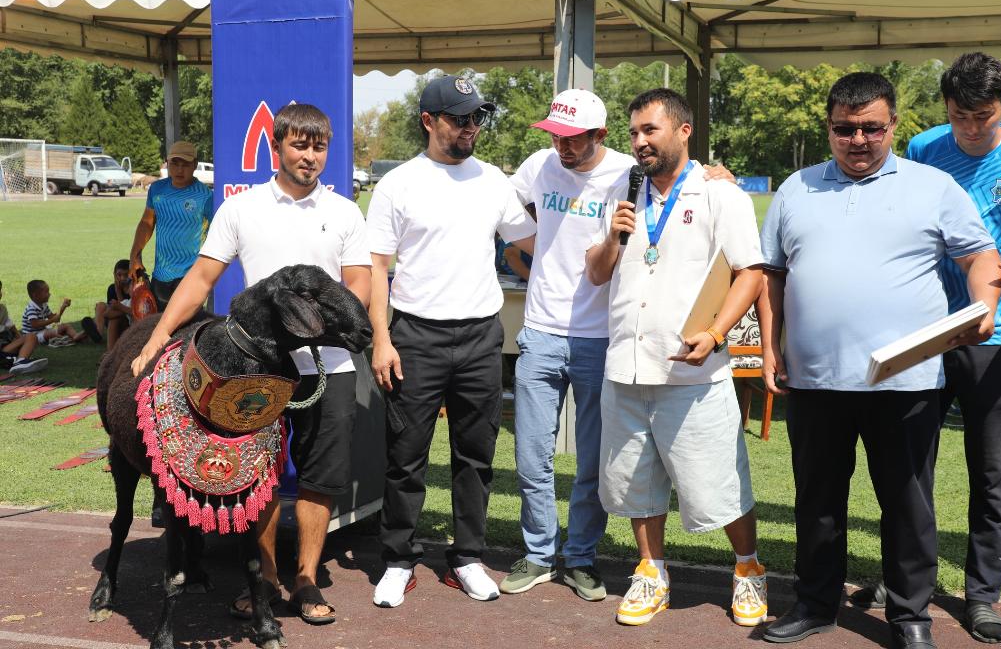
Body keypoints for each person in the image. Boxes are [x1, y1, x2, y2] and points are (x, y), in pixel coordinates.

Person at [757, 72, 1001, 649]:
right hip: (815, 377)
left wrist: (985, 304)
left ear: (894, 125)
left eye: (871, 127)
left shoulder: (933, 186)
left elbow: (981, 256)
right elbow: (772, 274)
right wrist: (770, 346)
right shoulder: (796, 188)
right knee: (817, 501)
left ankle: (910, 615)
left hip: (907, 378)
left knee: (907, 503)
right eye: (845, 129)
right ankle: (816, 603)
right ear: (829, 128)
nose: (858, 139)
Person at [849, 53, 1001, 644]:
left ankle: (982, 596)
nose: (970, 128)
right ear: (944, 108)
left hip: (997, 340)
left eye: (982, 115)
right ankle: (904, 580)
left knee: (992, 472)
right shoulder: (925, 148)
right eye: (959, 115)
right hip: (923, 334)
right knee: (907, 468)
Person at [131, 103, 372, 627]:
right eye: (300, 145)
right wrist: (159, 335)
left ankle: (306, 578)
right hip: (256, 372)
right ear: (277, 146)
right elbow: (200, 279)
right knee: (257, 476)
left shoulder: (347, 212)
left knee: (319, 479)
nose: (310, 156)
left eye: (319, 147)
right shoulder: (241, 208)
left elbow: (358, 289)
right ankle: (263, 578)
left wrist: (331, 333)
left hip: (330, 368)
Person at [584, 88, 768, 628]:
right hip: (628, 365)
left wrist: (715, 332)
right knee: (635, 479)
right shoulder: (625, 191)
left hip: (693, 369)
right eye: (634, 132)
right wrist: (613, 238)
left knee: (718, 480)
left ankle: (748, 568)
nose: (639, 141)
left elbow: (750, 271)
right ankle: (651, 570)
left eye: (650, 131)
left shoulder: (720, 194)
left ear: (683, 131)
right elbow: (598, 273)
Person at [367, 75, 536, 608]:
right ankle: (398, 560)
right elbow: (376, 266)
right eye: (458, 118)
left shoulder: (494, 181)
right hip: (416, 335)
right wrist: (380, 339)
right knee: (406, 455)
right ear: (428, 122)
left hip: (482, 333)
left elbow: (532, 240)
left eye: (475, 118)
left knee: (476, 455)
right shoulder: (399, 184)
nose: (469, 128)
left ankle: (467, 557)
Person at [497, 89, 634, 602]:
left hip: (601, 336)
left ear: (599, 135)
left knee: (594, 460)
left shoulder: (624, 172)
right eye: (556, 135)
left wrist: (718, 174)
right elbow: (502, 203)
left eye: (573, 139)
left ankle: (580, 557)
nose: (562, 147)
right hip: (540, 330)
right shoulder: (538, 164)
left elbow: (684, 178)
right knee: (532, 455)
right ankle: (538, 553)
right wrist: (529, 253)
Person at [129, 140, 214, 311]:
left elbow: (217, 236)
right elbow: (147, 223)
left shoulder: (205, 196)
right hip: (161, 275)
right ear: (167, 163)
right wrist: (135, 256)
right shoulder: (157, 189)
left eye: (186, 164)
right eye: (175, 163)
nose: (179, 169)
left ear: (195, 165)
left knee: (186, 330)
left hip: (191, 276)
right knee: (158, 328)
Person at [22, 280, 91, 347]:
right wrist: (52, 320)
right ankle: (69, 339)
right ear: (36, 295)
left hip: (43, 331)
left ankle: (75, 336)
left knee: (65, 326)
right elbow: (35, 324)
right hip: (32, 336)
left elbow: (55, 318)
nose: (49, 294)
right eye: (46, 292)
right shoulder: (31, 309)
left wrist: (63, 307)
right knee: (50, 333)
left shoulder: (44, 305)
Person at [0, 279, 47, 374]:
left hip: (6, 345)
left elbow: (10, 325)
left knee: (31, 337)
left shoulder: (2, 309)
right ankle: (18, 361)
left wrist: (20, 340)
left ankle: (20, 361)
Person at [93, 260, 134, 349]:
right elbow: (112, 310)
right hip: (118, 316)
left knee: (114, 318)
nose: (122, 278)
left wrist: (118, 291)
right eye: (119, 275)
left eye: (126, 275)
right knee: (100, 306)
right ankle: (98, 333)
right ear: (114, 275)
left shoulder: (133, 288)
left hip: (126, 322)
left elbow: (123, 306)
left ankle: (90, 332)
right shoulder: (112, 288)